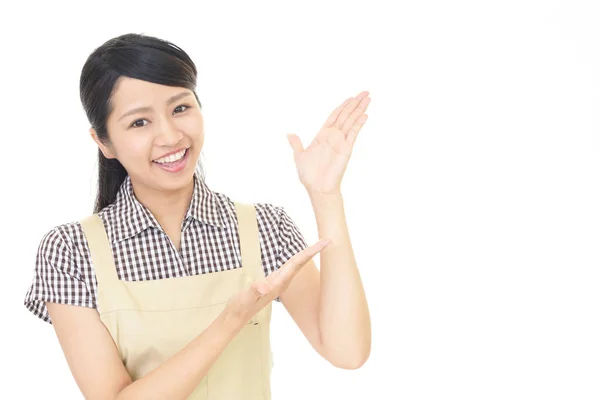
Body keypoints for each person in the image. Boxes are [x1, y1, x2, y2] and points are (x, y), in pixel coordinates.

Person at [23, 32, 371, 400]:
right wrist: (231, 320)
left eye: (180, 108)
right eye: (139, 122)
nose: (171, 136)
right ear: (104, 142)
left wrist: (325, 194)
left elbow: (347, 352)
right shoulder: (71, 251)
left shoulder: (264, 228)